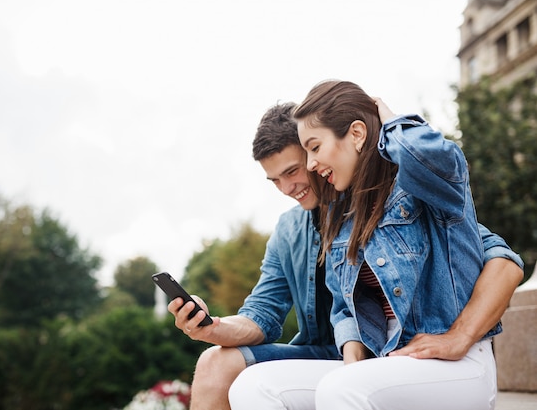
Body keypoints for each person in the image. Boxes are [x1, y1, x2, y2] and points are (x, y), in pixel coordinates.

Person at [171, 102, 524, 410]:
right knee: (216, 364)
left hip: (412, 350)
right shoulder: (291, 229)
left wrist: (460, 335)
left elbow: (501, 260)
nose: (286, 189)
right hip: (330, 352)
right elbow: (262, 315)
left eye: (293, 170)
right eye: (274, 181)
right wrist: (212, 327)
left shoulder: (393, 199)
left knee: (341, 388)